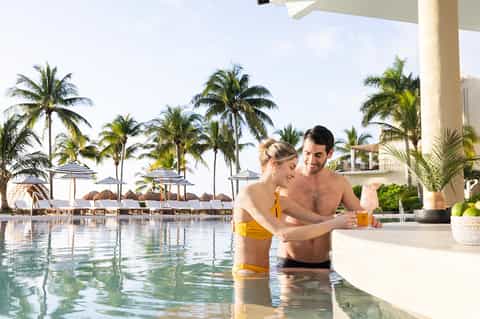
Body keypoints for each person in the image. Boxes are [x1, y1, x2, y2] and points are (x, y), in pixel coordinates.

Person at [232, 138, 357, 277]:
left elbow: (320, 220)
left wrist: (346, 219)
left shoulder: (280, 201)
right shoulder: (249, 193)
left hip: (264, 274)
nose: (293, 174)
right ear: (274, 164)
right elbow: (283, 234)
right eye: (291, 167)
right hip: (246, 273)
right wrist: (334, 223)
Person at [277, 125, 381, 270]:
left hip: (323, 264)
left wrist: (371, 216)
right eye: (307, 153)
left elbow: (360, 214)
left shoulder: (339, 182)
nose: (311, 160)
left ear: (330, 153)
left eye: (318, 155)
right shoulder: (287, 179)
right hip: (290, 262)